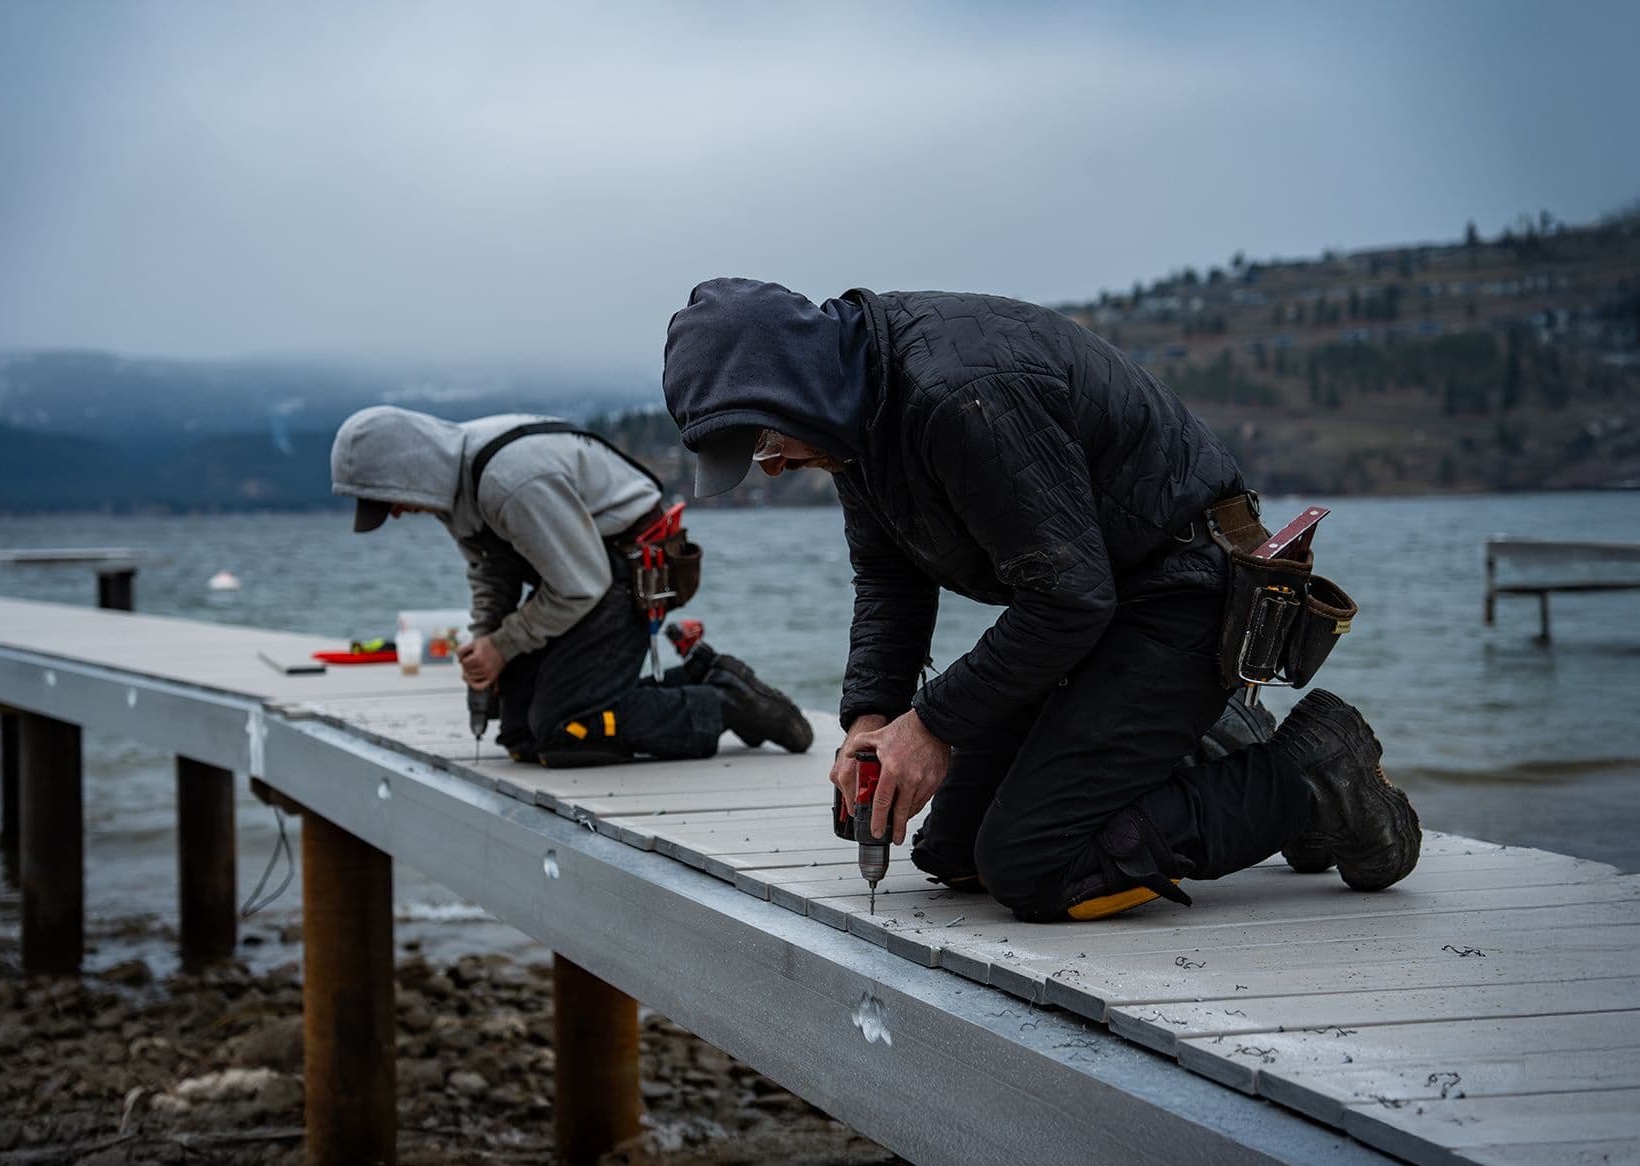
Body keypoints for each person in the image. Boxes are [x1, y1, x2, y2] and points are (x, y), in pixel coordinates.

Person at [660, 279, 1420, 920]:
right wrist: (871, 720)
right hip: (1098, 613)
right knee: (954, 856)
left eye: (764, 446)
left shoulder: (958, 393)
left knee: (1034, 866)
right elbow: (889, 580)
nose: (771, 469)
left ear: (794, 380)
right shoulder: (849, 413)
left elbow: (1067, 601)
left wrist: (930, 726)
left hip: (1181, 597)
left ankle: (1313, 778)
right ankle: (1200, 738)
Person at [329, 405, 813, 766]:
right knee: (519, 733)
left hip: (631, 571)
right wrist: (486, 647)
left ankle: (722, 700)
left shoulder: (511, 480)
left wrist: (503, 646)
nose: (393, 512)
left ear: (409, 469)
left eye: (386, 499)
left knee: (566, 730)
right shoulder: (455, 481)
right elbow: (490, 573)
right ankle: (694, 677)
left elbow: (582, 585)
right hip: (585, 577)